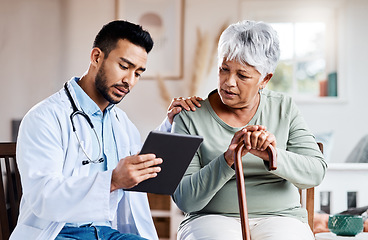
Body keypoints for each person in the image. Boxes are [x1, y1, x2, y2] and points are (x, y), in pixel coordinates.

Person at [10, 20, 201, 240]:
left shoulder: (121, 122)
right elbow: (43, 197)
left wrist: (170, 125)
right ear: (96, 57)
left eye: (138, 73)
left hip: (107, 233)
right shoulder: (44, 117)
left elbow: (137, 164)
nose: (129, 81)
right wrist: (112, 180)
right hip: (56, 233)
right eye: (124, 66)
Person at [171, 20, 327, 240]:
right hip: (210, 218)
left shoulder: (284, 108)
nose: (228, 83)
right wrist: (227, 159)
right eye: (224, 69)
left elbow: (315, 172)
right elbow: (184, 199)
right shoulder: (189, 116)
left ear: (265, 79)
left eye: (242, 76)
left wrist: (272, 155)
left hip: (281, 218)